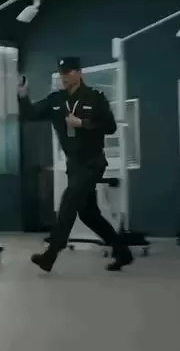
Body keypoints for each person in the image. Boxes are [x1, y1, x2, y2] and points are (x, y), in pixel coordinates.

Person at [18, 57, 133, 272]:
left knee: (69, 200)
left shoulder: (95, 98)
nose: (64, 76)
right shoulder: (56, 100)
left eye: (68, 72)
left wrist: (83, 123)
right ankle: (122, 252)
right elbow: (30, 114)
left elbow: (110, 127)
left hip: (92, 162)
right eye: (62, 72)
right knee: (89, 215)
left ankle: (52, 253)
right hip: (74, 164)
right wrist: (23, 96)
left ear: (79, 73)